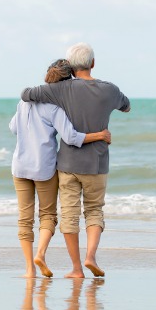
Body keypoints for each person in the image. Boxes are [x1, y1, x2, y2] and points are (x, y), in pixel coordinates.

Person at [21, 42, 131, 278]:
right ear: (92, 63)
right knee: (94, 211)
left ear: (71, 66)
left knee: (69, 215)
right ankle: (91, 256)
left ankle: (77, 269)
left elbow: (27, 94)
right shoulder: (110, 89)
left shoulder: (61, 90)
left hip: (68, 164)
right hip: (98, 164)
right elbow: (126, 106)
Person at [10, 59, 111, 278]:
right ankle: (41, 254)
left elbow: (13, 128)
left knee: (24, 217)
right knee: (47, 215)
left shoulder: (23, 103)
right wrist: (100, 135)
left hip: (19, 166)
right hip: (43, 168)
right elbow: (71, 137)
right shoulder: (55, 108)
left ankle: (29, 269)